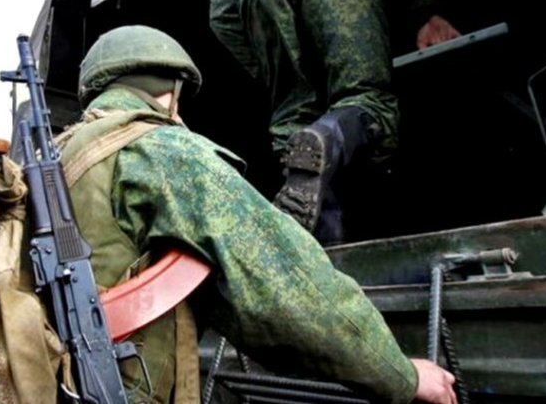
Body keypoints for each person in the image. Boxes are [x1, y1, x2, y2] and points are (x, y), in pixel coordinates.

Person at [65, 25, 456, 404]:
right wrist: (399, 374)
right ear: (170, 91)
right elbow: (282, 284)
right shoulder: (162, 151)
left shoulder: (60, 159)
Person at [210, 0, 460, 243]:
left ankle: (326, 245)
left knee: (294, 118)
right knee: (366, 98)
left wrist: (267, 63)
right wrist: (427, 13)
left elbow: (220, 15)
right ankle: (328, 137)